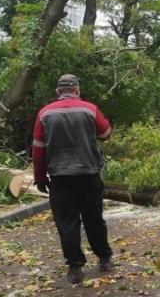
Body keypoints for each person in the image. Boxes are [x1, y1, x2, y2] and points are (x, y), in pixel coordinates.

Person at [32, 74, 113, 284]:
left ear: (58, 91)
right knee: (94, 218)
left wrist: (40, 177)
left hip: (60, 177)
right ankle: (104, 258)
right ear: (77, 89)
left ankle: (75, 268)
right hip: (88, 174)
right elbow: (105, 134)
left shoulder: (44, 113)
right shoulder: (90, 109)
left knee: (67, 223)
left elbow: (38, 149)